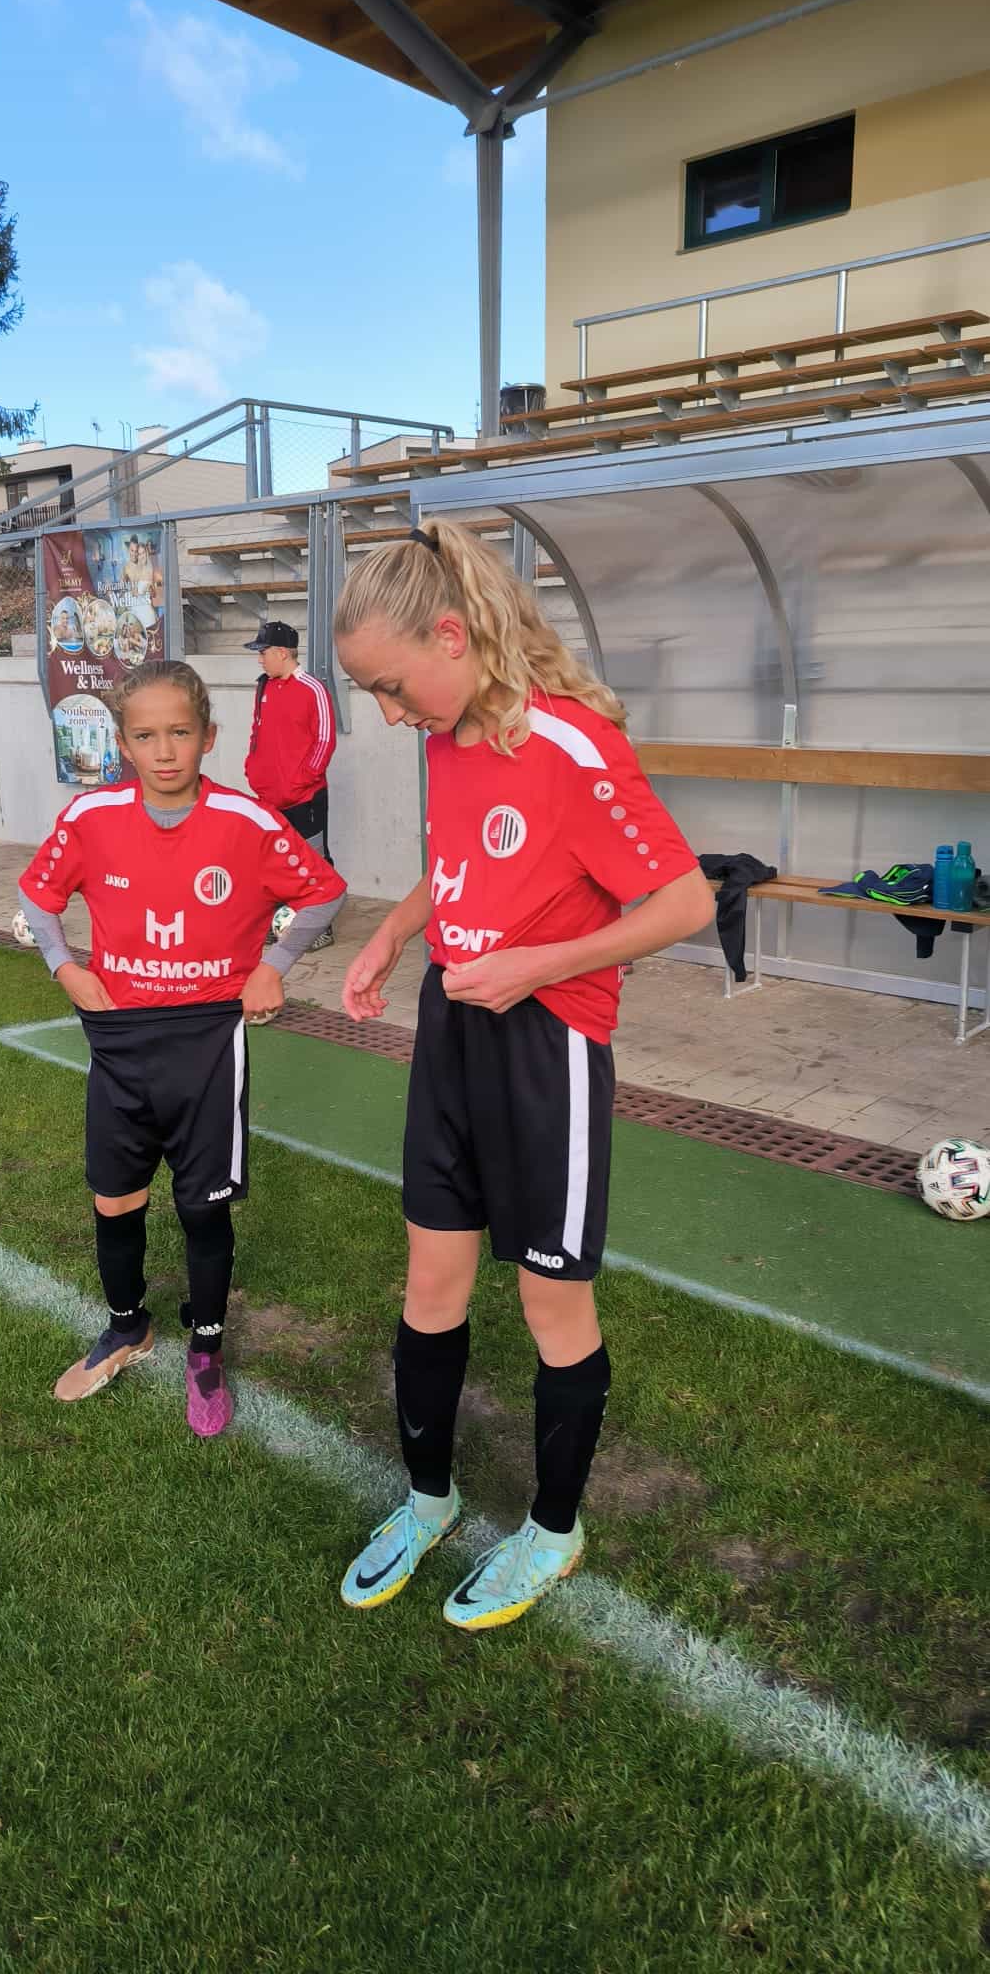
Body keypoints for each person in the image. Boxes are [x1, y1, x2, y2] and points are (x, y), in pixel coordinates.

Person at [333, 522, 714, 1632]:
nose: (390, 714)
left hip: (548, 1047)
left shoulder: (571, 743)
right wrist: (395, 932)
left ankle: (553, 1530)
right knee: (430, 1285)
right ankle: (428, 1500)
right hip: (453, 1028)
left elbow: (685, 901)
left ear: (451, 637)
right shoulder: (451, 732)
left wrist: (535, 966)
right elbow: (457, 865)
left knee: (551, 1301)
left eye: (392, 686)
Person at [17, 661, 346, 1436]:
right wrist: (65, 966)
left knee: (203, 1207)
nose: (164, 751)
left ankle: (206, 1347)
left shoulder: (246, 820)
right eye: (145, 735)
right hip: (120, 1040)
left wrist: (274, 964)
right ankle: (127, 1328)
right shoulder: (91, 816)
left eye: (180, 732)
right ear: (123, 743)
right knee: (114, 1197)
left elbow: (323, 891)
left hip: (208, 1042)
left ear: (208, 735)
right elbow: (37, 893)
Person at [244, 621, 337, 950]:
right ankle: (283, 923)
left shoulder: (313, 689)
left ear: (282, 652)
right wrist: (253, 770)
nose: (260, 659)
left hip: (305, 797)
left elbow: (325, 740)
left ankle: (321, 928)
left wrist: (302, 779)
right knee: (277, 861)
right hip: (269, 796)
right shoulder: (264, 687)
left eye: (264, 651)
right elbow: (257, 732)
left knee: (313, 861)